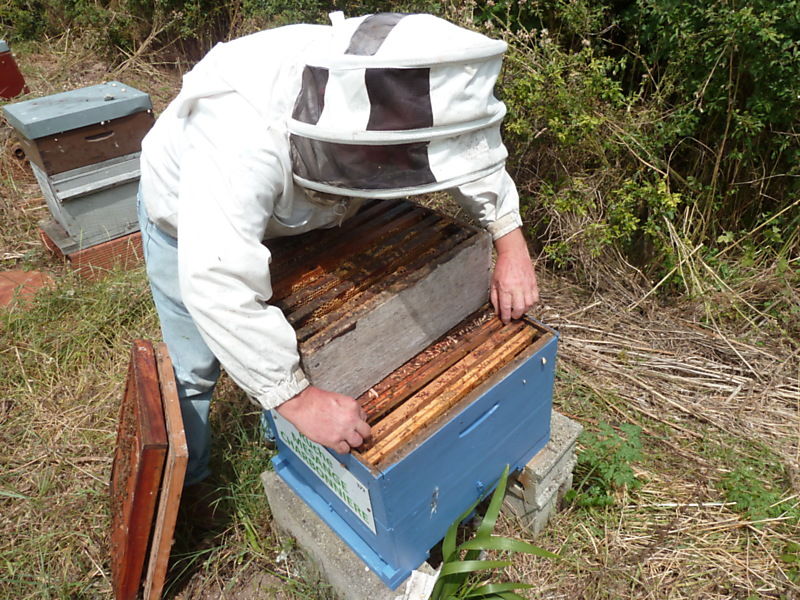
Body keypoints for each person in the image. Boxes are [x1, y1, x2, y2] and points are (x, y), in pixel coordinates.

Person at [138, 12, 539, 488]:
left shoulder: (393, 84)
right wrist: (295, 400)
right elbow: (215, 278)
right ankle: (193, 483)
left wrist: (508, 236)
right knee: (193, 371)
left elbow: (462, 145)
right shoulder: (239, 141)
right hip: (191, 221)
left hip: (302, 210)